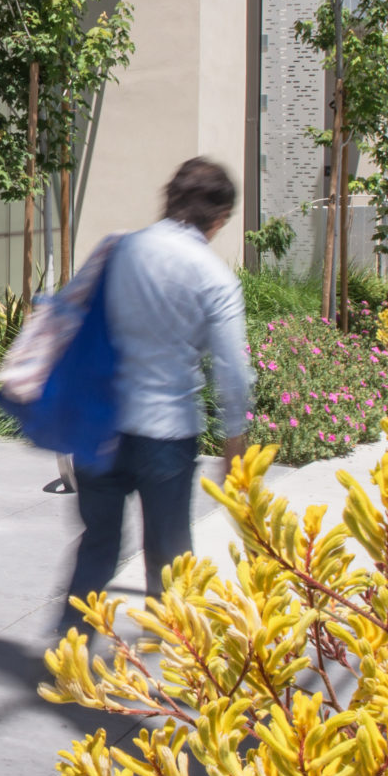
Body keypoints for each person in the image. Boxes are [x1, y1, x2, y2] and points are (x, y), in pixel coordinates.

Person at [60, 156, 253, 637]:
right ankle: (177, 667)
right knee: (168, 554)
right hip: (166, 433)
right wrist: (235, 444)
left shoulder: (119, 249)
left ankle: (67, 650)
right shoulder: (214, 277)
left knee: (98, 544)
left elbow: (70, 313)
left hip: (101, 423)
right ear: (220, 218)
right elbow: (233, 370)